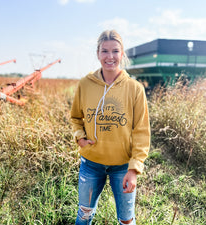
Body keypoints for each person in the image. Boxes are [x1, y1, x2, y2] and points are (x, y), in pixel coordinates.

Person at [70, 30, 150, 225]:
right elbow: (75, 117)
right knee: (84, 213)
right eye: (105, 51)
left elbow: (141, 131)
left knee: (126, 220)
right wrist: (79, 137)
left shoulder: (134, 89)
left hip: (122, 166)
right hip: (91, 164)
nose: (110, 57)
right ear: (98, 53)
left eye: (115, 51)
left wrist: (134, 169)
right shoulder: (85, 85)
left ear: (122, 54)